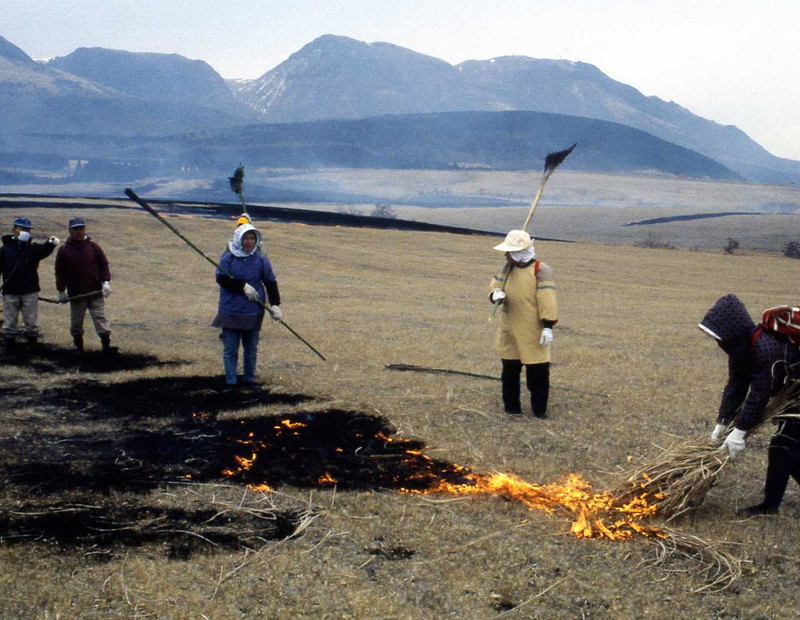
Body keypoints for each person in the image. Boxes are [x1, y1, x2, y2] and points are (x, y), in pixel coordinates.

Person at [699, 293, 800, 515]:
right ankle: (770, 505)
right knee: (789, 449)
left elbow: (759, 395)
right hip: (793, 395)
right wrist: (722, 423)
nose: (720, 342)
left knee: (784, 446)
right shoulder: (742, 350)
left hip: (796, 397)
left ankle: (769, 506)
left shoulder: (766, 349)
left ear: (733, 333)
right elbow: (736, 385)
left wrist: (740, 432)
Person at [488, 230, 558, 418]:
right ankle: (512, 408)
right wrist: (495, 295)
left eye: (509, 252)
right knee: (510, 372)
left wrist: (548, 326)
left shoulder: (541, 270)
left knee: (537, 374)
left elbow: (547, 300)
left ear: (519, 253)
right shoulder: (507, 267)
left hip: (533, 331)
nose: (505, 255)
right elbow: (496, 284)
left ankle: (539, 410)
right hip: (510, 328)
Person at [212, 223, 282, 393]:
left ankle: (249, 380)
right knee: (230, 349)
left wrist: (275, 305)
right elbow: (221, 279)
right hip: (231, 310)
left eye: (252, 238)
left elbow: (270, 282)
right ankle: (231, 382)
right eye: (246, 238)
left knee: (251, 349)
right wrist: (242, 286)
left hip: (253, 310)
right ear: (239, 239)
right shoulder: (228, 258)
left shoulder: (261, 260)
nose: (249, 242)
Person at [54, 217, 114, 353]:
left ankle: (106, 346)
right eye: (75, 229)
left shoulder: (94, 247)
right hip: (76, 294)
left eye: (81, 229)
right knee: (76, 322)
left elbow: (104, 265)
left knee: (100, 319)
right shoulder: (63, 250)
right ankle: (78, 347)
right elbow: (60, 272)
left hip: (95, 292)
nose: (78, 232)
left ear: (85, 230)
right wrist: (61, 291)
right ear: (70, 231)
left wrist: (106, 282)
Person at [0, 217, 59, 355]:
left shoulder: (32, 248)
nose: (24, 231)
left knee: (31, 322)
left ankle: (33, 349)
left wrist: (51, 244)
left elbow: (44, 250)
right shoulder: (4, 249)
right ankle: (9, 350)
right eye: (21, 228)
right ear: (14, 229)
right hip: (10, 292)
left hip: (30, 291)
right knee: (9, 323)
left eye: (27, 229)